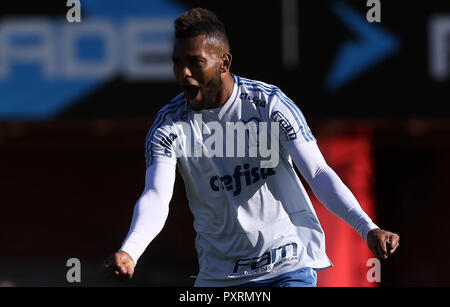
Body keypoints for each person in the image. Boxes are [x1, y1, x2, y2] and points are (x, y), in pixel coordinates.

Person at [102, 7, 400, 287]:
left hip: (287, 265)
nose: (184, 73)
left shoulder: (269, 105)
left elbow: (318, 171)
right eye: (177, 63)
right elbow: (156, 195)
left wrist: (367, 227)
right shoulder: (168, 126)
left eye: (195, 62)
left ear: (224, 62)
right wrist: (131, 250)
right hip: (220, 276)